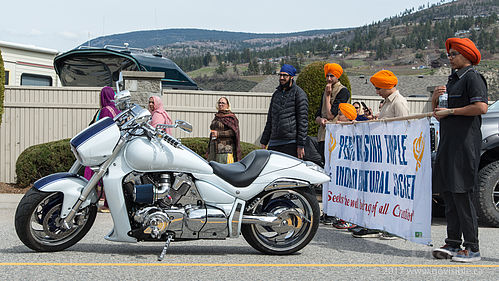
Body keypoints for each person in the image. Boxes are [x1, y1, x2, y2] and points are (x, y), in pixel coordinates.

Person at [431, 38, 487, 263]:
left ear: (466, 56)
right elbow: (439, 111)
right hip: (448, 144)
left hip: (464, 145)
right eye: (449, 54)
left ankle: (472, 248)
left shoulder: (472, 77)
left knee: (463, 195)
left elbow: (481, 106)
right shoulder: (452, 79)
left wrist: (451, 111)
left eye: (454, 54)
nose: (450, 57)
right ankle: (453, 242)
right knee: (449, 193)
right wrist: (435, 99)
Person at [352, 70, 409, 239]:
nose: (376, 91)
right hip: (381, 155)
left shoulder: (399, 102)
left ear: (387, 86)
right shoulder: (386, 102)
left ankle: (394, 228)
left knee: (391, 193)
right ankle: (376, 225)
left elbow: (403, 128)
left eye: (378, 88)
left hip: (392, 156)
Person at [84, 86, 121, 213]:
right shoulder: (117, 110)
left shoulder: (105, 110)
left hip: (103, 148)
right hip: (115, 147)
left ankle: (87, 199)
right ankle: (109, 203)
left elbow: (101, 129)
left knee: (91, 171)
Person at [260, 64, 308, 159]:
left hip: (290, 143)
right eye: (280, 75)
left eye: (285, 75)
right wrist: (264, 142)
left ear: (291, 77)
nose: (281, 78)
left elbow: (303, 121)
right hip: (274, 142)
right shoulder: (276, 94)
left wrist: (300, 145)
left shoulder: (299, 94)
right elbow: (270, 120)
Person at [315, 63, 350, 163]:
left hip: (334, 136)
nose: (329, 79)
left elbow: (331, 115)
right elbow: (317, 115)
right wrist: (320, 119)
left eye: (331, 76)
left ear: (337, 76)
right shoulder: (326, 90)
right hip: (322, 136)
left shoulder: (343, 91)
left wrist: (327, 96)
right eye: (327, 76)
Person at [206, 97, 242, 163]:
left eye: (223, 103)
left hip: (225, 149)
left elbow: (233, 132)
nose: (220, 104)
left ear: (227, 105)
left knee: (222, 169)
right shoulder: (217, 117)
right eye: (219, 102)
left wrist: (219, 134)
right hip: (213, 148)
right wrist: (208, 150)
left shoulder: (231, 117)